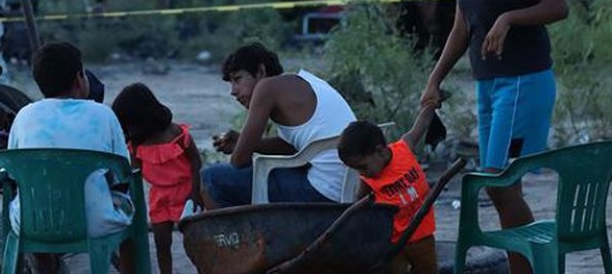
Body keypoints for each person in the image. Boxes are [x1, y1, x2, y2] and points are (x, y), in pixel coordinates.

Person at [420, 0, 569, 274]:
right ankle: (529, 265)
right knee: (503, 185)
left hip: (524, 82)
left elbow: (557, 6)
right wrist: (435, 79)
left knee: (499, 179)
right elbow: (461, 26)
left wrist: (509, 18)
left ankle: (534, 266)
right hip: (488, 85)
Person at [0, 41, 136, 274]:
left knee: (4, 220)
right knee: (129, 210)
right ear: (79, 79)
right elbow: (123, 173)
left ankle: (47, 267)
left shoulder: (24, 116)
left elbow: (12, 175)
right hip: (93, 222)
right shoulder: (103, 115)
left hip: (35, 222)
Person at [201, 42, 356, 208]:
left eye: (237, 79)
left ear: (261, 71)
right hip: (350, 186)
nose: (233, 91)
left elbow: (239, 161)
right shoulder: (302, 83)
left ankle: (228, 234)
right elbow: (292, 147)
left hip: (323, 190)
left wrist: (243, 147)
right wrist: (244, 141)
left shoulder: (267, 88)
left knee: (210, 177)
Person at [337, 98, 443, 274]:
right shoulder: (367, 179)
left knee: (428, 270)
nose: (361, 173)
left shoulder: (404, 148)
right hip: (391, 242)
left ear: (380, 151)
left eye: (362, 166)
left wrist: (431, 102)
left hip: (421, 235)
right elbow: (359, 204)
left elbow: (421, 124)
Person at [112, 83, 203, 274]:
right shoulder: (136, 145)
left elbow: (196, 162)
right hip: (159, 196)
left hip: (185, 191)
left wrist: (195, 194)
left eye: (129, 125)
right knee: (161, 242)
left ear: (141, 120)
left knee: (194, 242)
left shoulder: (176, 134)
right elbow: (134, 174)